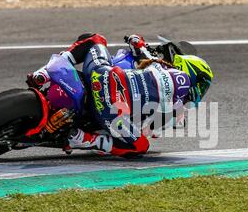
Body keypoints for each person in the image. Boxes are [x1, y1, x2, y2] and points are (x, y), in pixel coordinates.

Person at [27, 33, 214, 157]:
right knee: (140, 146)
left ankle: (43, 74)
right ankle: (86, 140)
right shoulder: (177, 113)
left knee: (94, 39)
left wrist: (137, 41)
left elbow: (138, 45)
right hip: (110, 114)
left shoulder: (155, 63)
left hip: (102, 76)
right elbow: (149, 132)